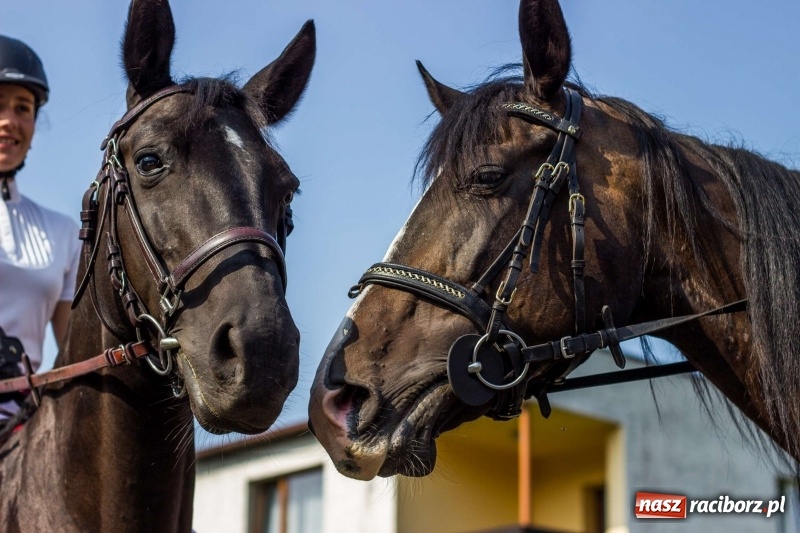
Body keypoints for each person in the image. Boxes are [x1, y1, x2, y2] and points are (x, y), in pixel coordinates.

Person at [0, 35, 80, 418]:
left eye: (22, 108)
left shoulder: (63, 233)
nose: (9, 121)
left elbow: (73, 353)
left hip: (23, 421)